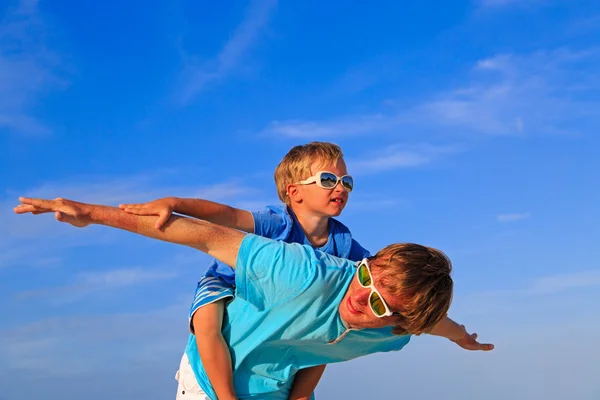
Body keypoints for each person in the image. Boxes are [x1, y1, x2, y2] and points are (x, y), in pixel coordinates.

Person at [14, 196, 494, 400]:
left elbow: (437, 323)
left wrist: (461, 338)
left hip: (274, 387)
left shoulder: (397, 334)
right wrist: (89, 213)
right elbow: (201, 235)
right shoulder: (302, 270)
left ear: (404, 323)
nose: (361, 299)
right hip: (209, 379)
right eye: (366, 280)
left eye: (382, 307)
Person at [118, 142, 370, 400]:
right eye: (328, 180)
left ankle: (301, 395)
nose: (340, 187)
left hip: (283, 305)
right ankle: (226, 395)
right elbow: (227, 215)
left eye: (346, 182)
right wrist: (174, 203)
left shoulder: (342, 243)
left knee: (329, 322)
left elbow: (379, 268)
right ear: (294, 192)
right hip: (230, 281)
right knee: (208, 320)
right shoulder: (277, 223)